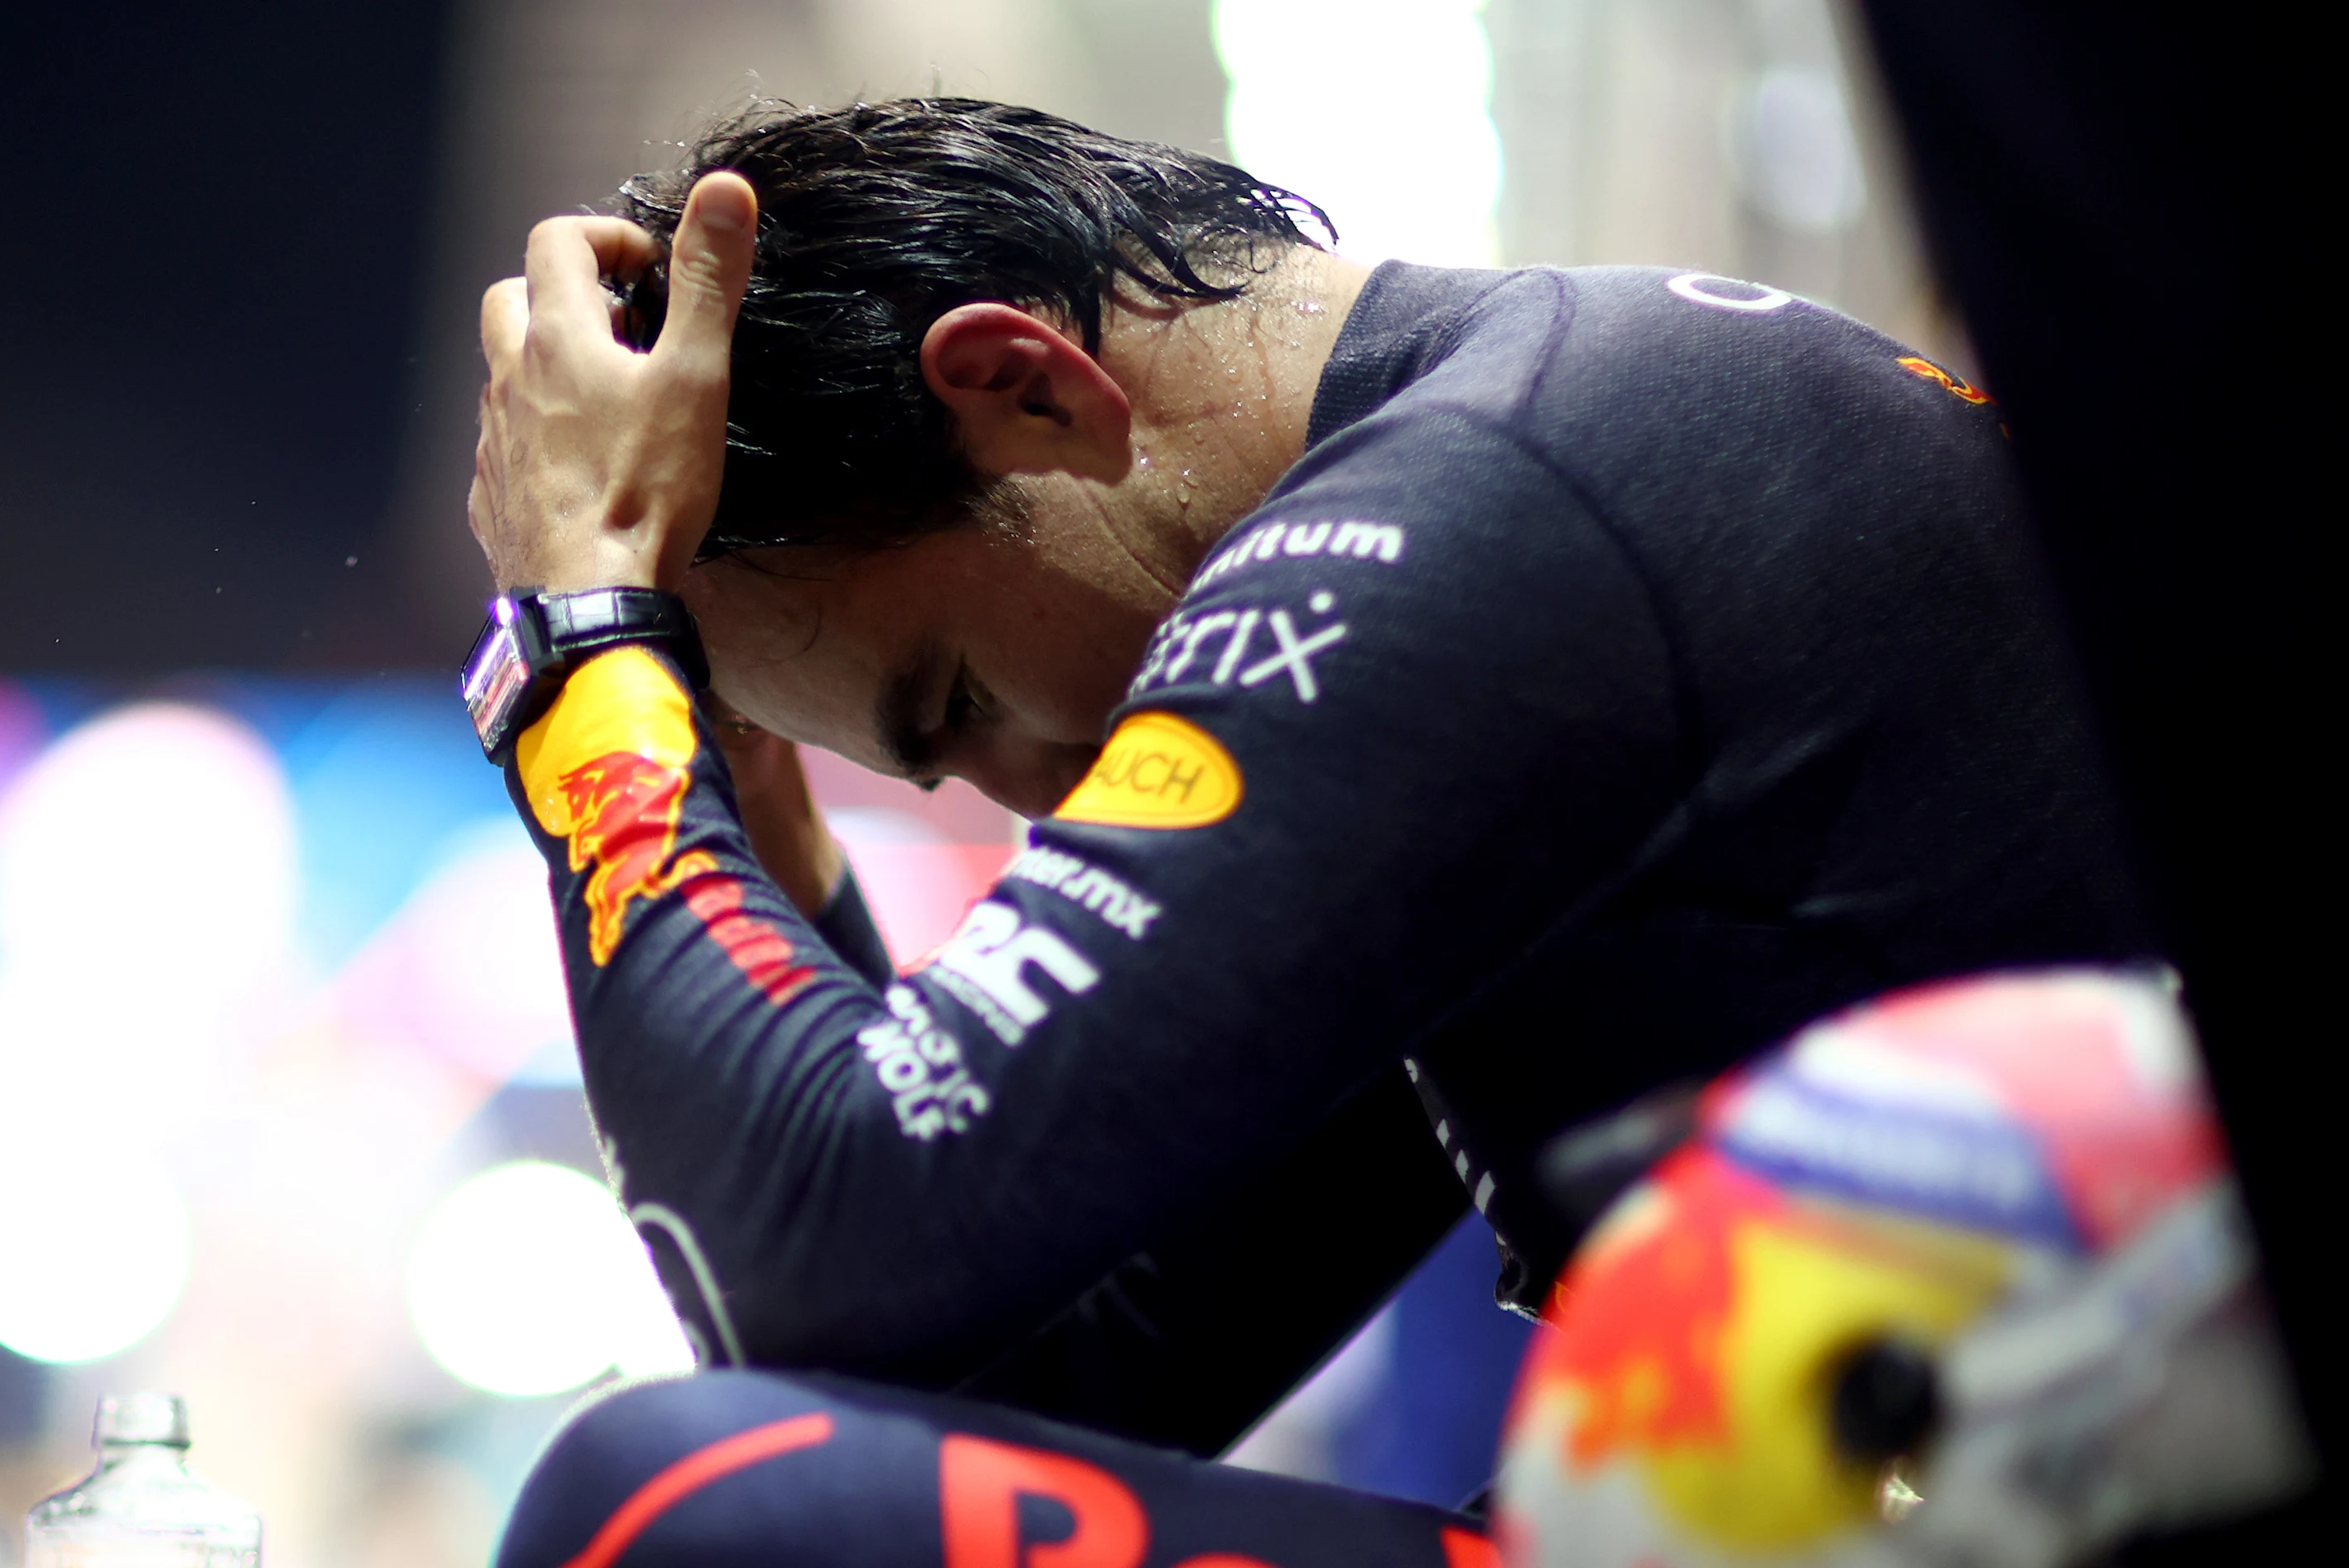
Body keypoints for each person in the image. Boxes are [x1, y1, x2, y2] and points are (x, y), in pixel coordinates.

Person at [459, 99, 2150, 1566]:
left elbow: (825, 1255)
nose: (1029, 794)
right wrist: (737, 819)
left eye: (957, 697)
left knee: (673, 1504)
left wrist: (582, 661)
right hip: (1873, 1504)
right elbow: (1025, 1369)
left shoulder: (1499, 500)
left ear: (1026, 390)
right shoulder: (1553, 467)